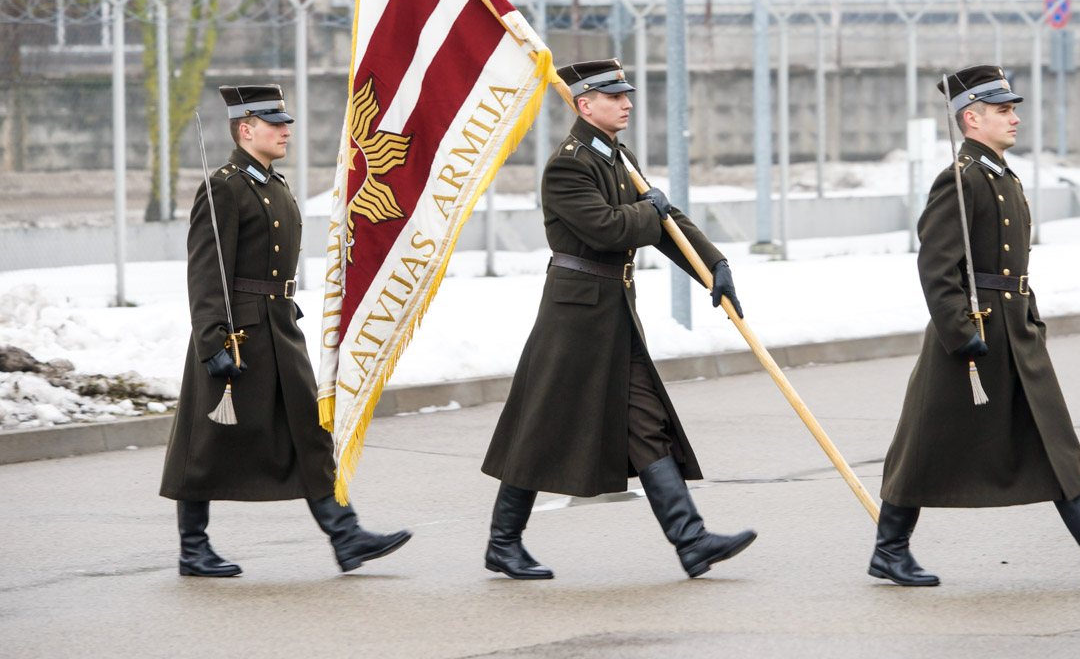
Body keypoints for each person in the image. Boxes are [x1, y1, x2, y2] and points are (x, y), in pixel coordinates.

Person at [871, 65, 1080, 586]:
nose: (1014, 119)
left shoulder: (999, 173)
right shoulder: (961, 178)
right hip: (974, 331)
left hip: (1015, 328)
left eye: (1013, 109)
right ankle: (889, 550)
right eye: (1003, 110)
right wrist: (959, 330)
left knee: (1050, 431)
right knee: (926, 441)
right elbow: (936, 264)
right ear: (971, 118)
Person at [480, 58, 757, 580]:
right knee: (540, 427)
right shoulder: (568, 165)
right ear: (585, 104)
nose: (627, 103)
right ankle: (503, 542)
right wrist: (652, 211)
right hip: (574, 317)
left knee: (647, 425)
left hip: (615, 314)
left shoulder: (616, 156)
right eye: (615, 97)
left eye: (626, 95)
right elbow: (610, 229)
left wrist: (713, 264)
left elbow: (665, 220)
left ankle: (691, 541)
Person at [159, 83, 411, 577]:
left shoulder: (272, 183)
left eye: (286, 123)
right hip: (238, 331)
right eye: (274, 124)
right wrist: (213, 339)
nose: (285, 131)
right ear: (245, 128)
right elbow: (207, 271)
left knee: (309, 430)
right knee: (208, 440)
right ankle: (193, 549)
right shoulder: (225, 186)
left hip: (279, 327)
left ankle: (345, 536)